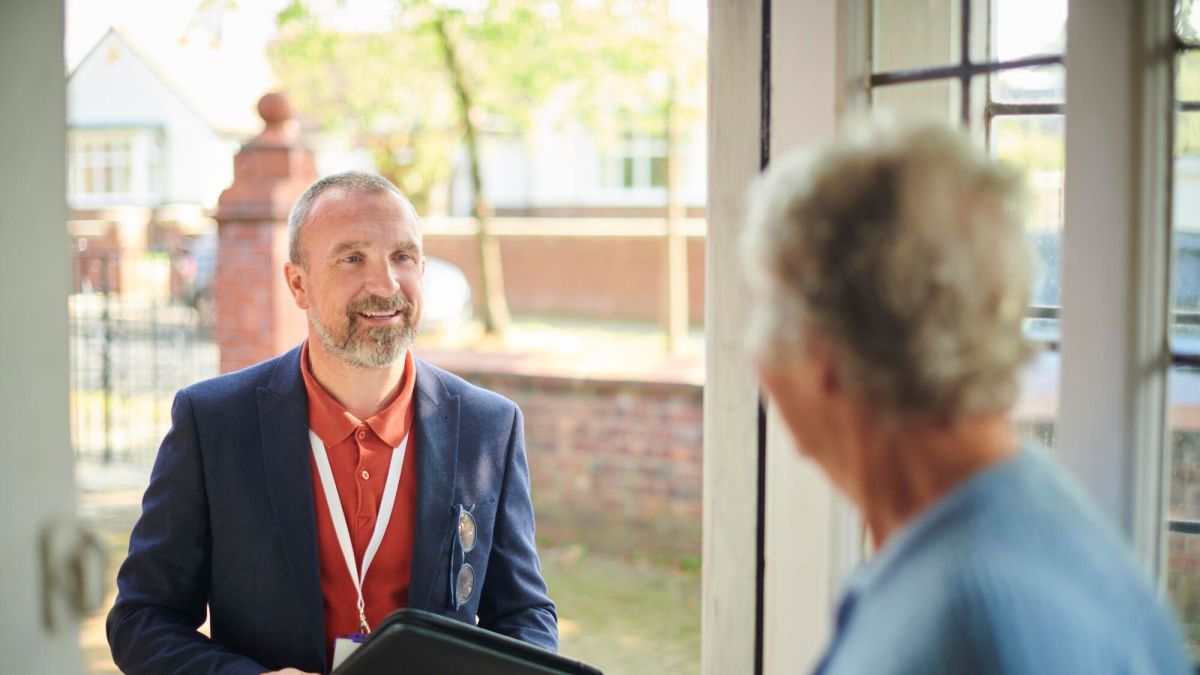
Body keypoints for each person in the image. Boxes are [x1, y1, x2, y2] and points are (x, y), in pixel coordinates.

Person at [741, 120, 1191, 673]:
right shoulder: (1019, 520)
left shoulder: (969, 624)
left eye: (761, 308)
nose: (754, 360)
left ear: (823, 354)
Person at [107, 171, 557, 674]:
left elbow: (523, 615)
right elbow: (141, 619)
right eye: (352, 258)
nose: (385, 284)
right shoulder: (212, 423)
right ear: (298, 283)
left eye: (402, 257)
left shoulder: (488, 427)